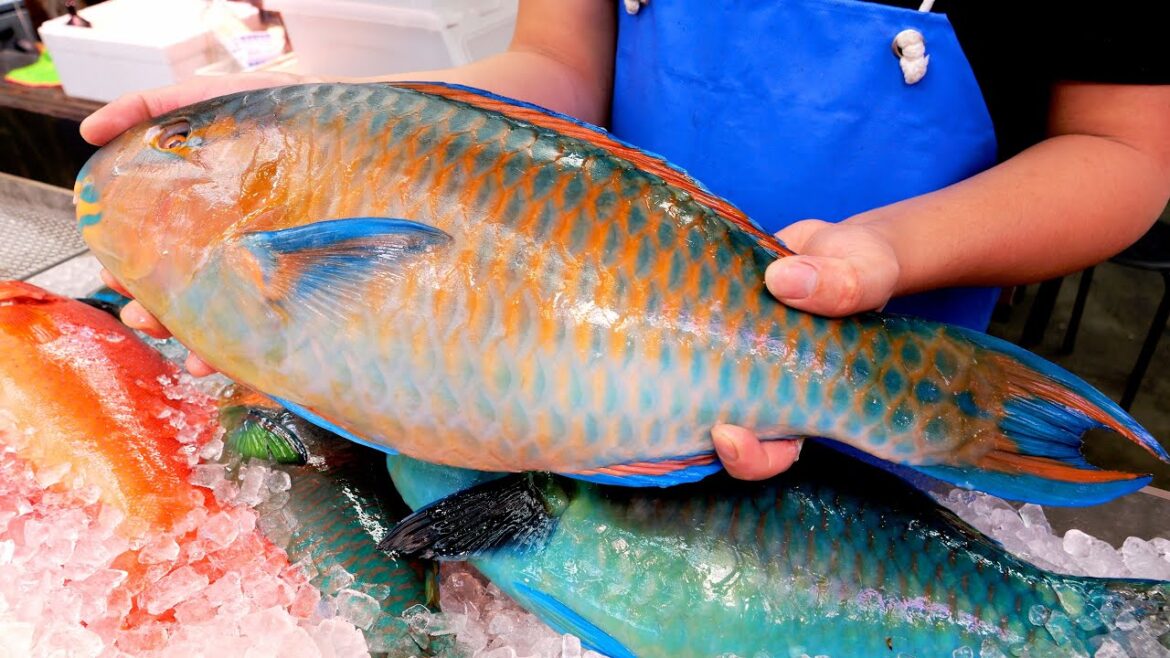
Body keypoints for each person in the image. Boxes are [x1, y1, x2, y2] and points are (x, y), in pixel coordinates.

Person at [83, 0, 1170, 482]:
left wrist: (879, 255)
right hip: (577, 357)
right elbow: (556, 71)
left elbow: (1126, 149)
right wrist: (345, 116)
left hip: (898, 381)